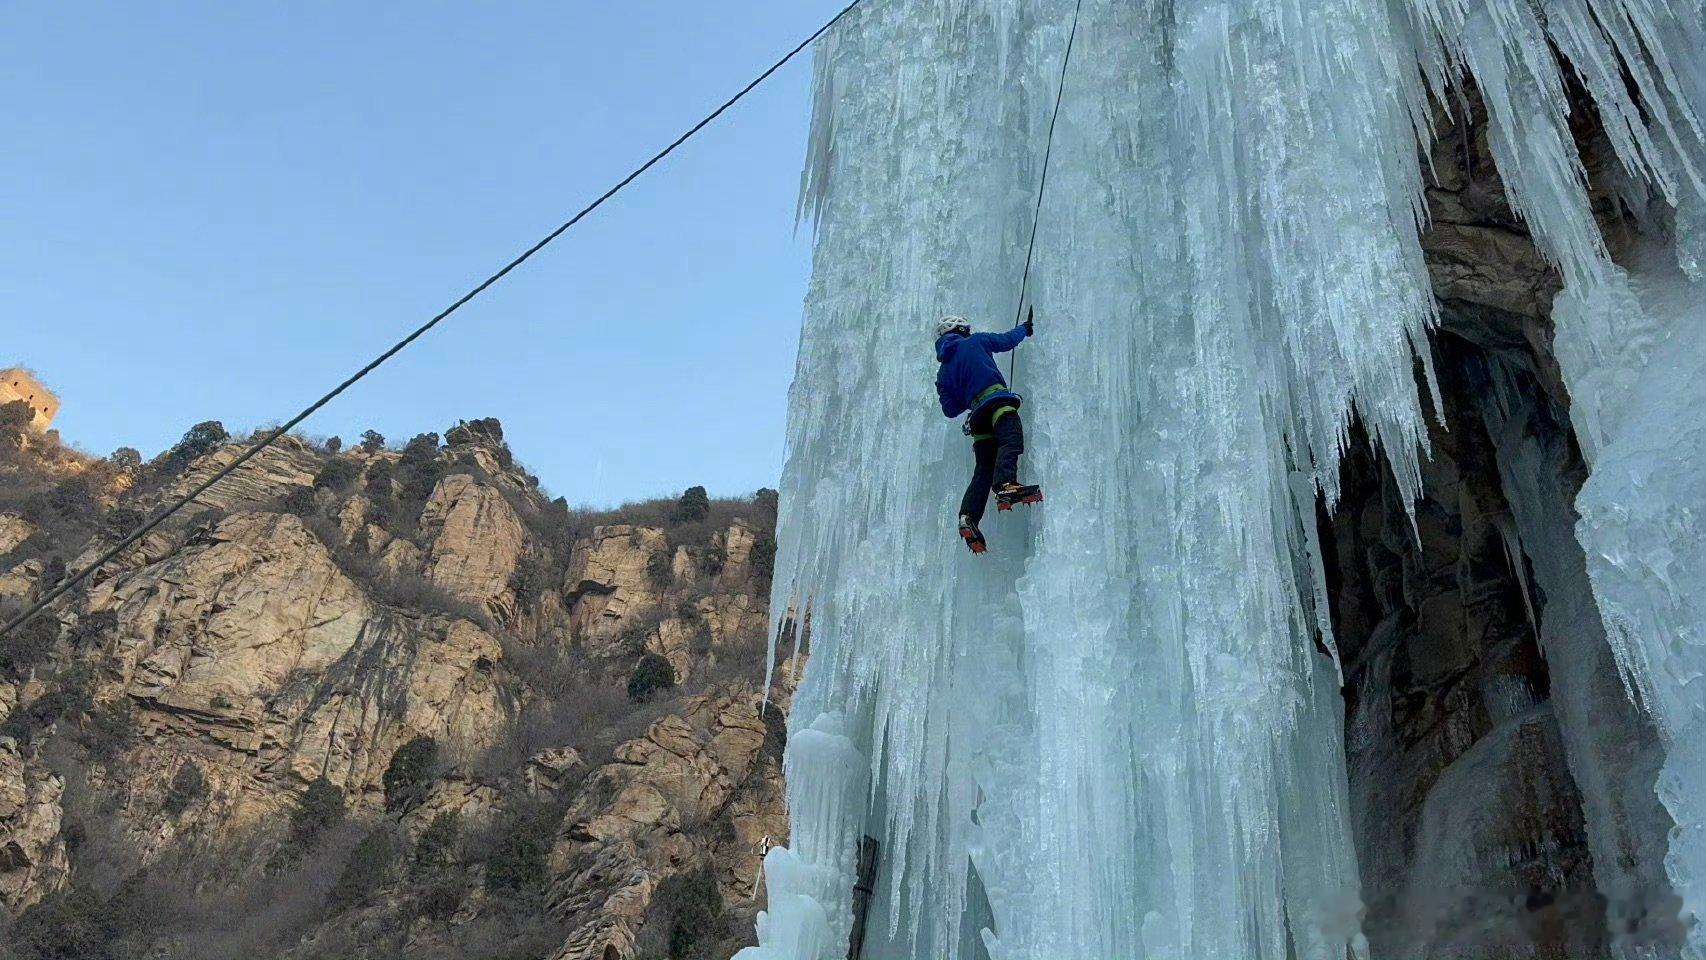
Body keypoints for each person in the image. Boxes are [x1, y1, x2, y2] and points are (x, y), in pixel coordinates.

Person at [934, 312, 1042, 553]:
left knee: (983, 469)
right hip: (996, 402)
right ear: (962, 331)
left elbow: (949, 409)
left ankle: (968, 517)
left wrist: (967, 388)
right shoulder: (977, 341)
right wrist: (1025, 328)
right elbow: (1006, 341)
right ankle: (1005, 484)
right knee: (1010, 439)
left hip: (977, 417)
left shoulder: (943, 372)